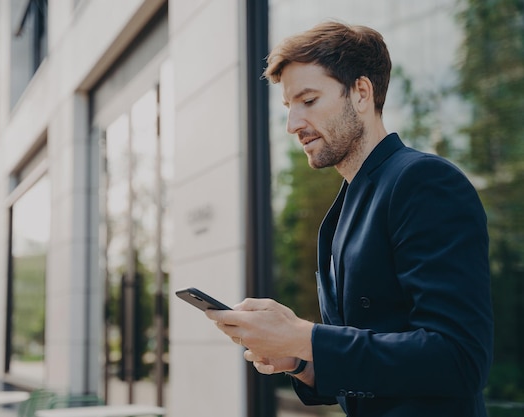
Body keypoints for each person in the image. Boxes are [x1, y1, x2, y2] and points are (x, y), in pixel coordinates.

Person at [205, 21, 493, 417]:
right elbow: (373, 364)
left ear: (360, 92)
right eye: (289, 108)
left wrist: (305, 337)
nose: (293, 126)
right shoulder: (344, 208)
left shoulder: (424, 182)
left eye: (308, 100)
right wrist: (301, 361)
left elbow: (459, 359)